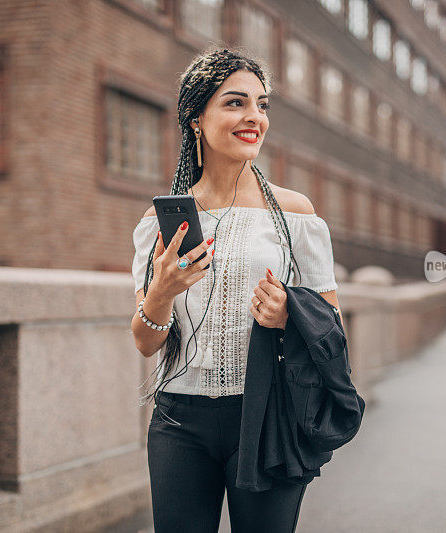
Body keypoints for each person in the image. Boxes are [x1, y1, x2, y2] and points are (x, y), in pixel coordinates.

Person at [130, 47, 343, 533]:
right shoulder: (159, 223)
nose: (254, 118)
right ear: (195, 118)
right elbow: (145, 343)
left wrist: (291, 313)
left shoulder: (295, 214)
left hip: (268, 415)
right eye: (235, 103)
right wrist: (161, 290)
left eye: (262, 105)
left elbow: (333, 329)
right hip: (179, 422)